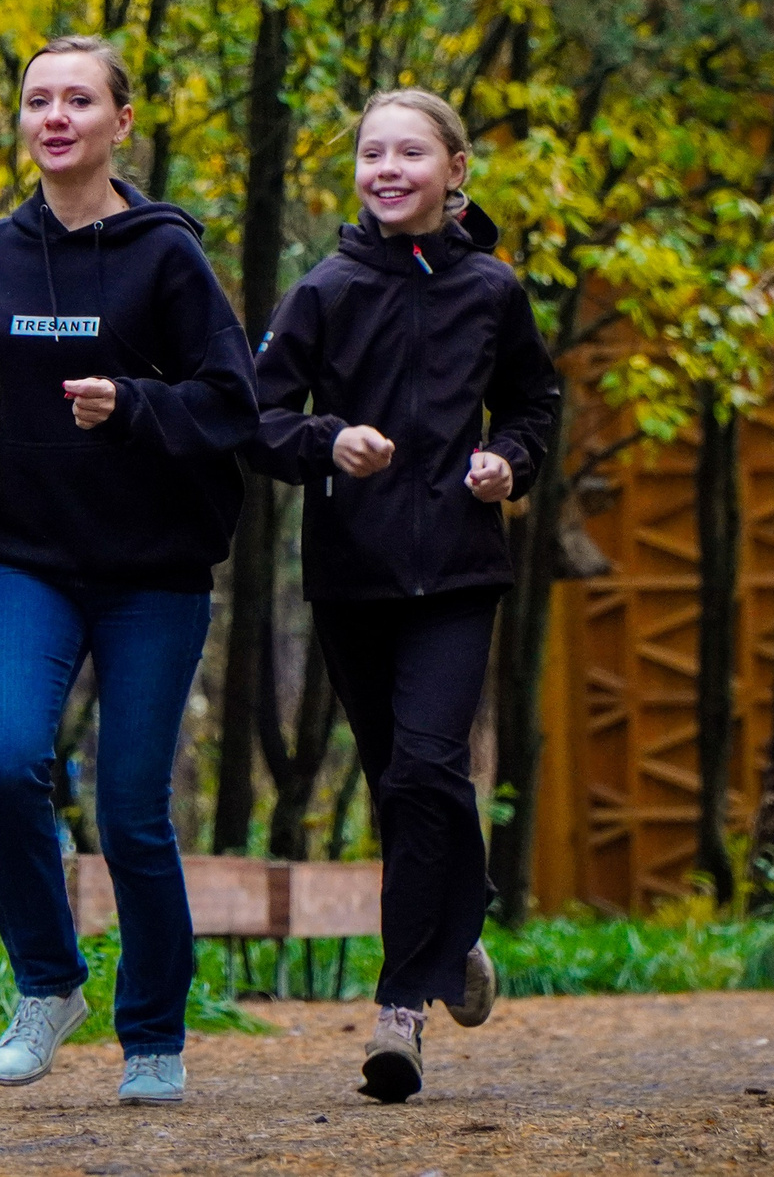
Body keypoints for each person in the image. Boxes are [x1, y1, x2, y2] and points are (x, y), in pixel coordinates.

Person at [0, 37, 257, 1107]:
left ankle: (153, 1032)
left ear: (119, 122)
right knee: (10, 764)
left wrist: (134, 405)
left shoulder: (167, 258)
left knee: (128, 811)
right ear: (21, 123)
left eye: (78, 99)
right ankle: (47, 985)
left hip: (154, 571)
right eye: (37, 100)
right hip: (33, 558)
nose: (54, 116)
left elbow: (232, 405)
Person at [244, 87, 560, 1104]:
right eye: (372, 153)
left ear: (453, 171)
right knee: (405, 783)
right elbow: (255, 417)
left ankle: (399, 1011)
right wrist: (327, 441)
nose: (386, 169)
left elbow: (532, 400)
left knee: (428, 765)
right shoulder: (324, 289)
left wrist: (507, 460)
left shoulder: (492, 291)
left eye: (409, 153)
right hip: (354, 575)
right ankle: (454, 931)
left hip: (459, 572)